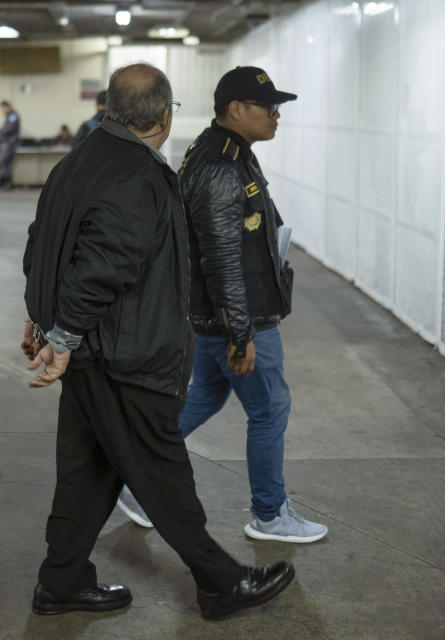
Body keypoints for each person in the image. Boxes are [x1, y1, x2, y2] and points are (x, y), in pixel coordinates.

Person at [21, 63, 294, 619]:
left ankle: (63, 580)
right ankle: (220, 582)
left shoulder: (81, 159)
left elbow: (43, 242)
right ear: (166, 116)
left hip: (96, 349)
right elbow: (103, 265)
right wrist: (64, 335)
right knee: (163, 470)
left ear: (109, 110)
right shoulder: (137, 174)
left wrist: (43, 317)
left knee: (90, 468)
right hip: (126, 353)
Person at [115, 66, 327, 544]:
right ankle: (269, 514)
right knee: (270, 408)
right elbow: (222, 258)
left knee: (207, 394)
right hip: (236, 315)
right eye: (268, 107)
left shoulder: (230, 152)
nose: (277, 115)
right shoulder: (219, 165)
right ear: (236, 110)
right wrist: (241, 332)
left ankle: (131, 483)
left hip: (220, 315)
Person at [0, 100, 19, 189]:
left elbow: (10, 128)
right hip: (7, 143)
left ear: (8, 107)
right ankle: (3, 183)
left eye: (3, 108)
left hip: (10, 143)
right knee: (5, 163)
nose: (2, 111)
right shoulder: (10, 116)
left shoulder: (13, 116)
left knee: (1, 162)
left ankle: (2, 183)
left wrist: (0, 131)